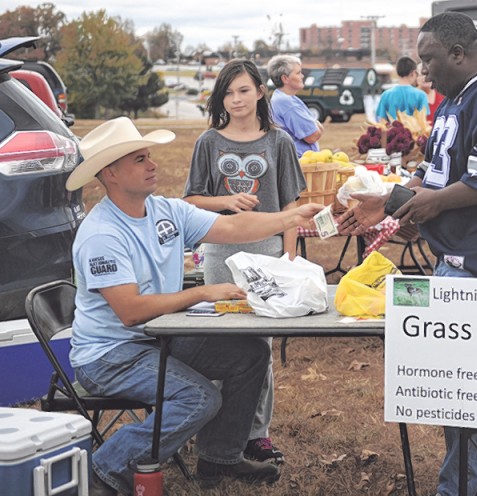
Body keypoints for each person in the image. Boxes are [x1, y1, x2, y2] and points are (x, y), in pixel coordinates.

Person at [64, 117, 323, 496]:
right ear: (111, 173)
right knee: (199, 398)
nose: (152, 164)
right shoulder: (102, 234)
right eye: (139, 159)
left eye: (148, 155)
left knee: (250, 354)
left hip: (157, 338)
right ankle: (103, 469)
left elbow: (233, 228)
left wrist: (290, 217)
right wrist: (200, 293)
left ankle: (220, 457)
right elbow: (131, 311)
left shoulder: (164, 210)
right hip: (111, 355)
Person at [339, 12, 477, 496]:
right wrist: (394, 201)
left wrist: (410, 206)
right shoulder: (455, 99)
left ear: (458, 53)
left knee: (468, 399)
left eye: (429, 60)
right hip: (458, 261)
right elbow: (435, 172)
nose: (423, 71)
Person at [183, 59, 306, 464]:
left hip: (268, 254)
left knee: (260, 349)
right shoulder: (208, 142)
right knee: (222, 345)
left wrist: (289, 259)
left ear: (260, 92)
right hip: (221, 255)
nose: (236, 99)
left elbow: (291, 205)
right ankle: (215, 430)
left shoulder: (279, 142)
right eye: (228, 92)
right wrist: (225, 202)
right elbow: (192, 201)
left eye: (243, 90)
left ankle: (256, 434)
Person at [267, 54, 324, 157]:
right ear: (285, 78)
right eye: (298, 73)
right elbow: (312, 136)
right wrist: (318, 126)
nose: (302, 76)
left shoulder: (283, 98)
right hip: (298, 165)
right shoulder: (287, 103)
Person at [375, 56, 430, 122]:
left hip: (392, 131)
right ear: (413, 73)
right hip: (414, 132)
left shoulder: (386, 95)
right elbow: (423, 121)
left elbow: (382, 120)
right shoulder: (421, 95)